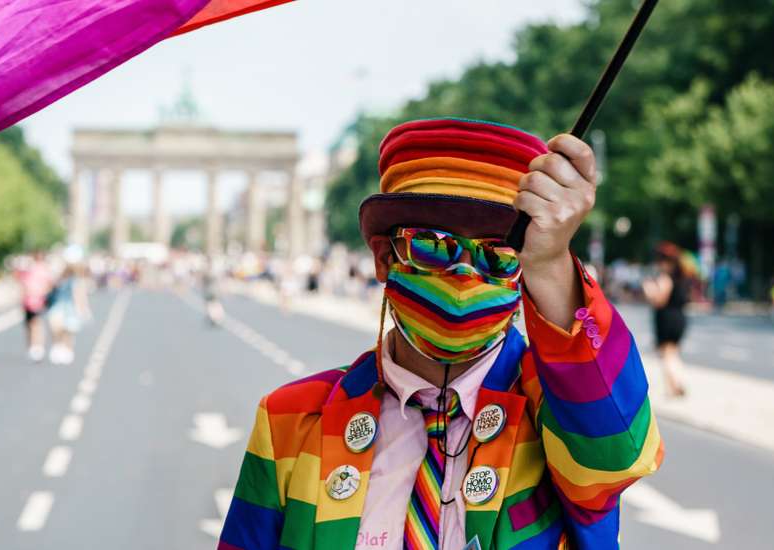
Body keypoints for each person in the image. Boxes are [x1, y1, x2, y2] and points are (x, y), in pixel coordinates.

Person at [217, 119, 662, 549]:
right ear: (384, 258)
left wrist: (551, 263)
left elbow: (619, 453)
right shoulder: (289, 421)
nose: (465, 275)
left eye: (497, 252)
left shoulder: (557, 411)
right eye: (432, 244)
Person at [642, 242, 689, 397]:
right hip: (679, 317)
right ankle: (676, 384)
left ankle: (675, 385)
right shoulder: (681, 277)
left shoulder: (665, 278)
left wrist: (648, 288)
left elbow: (660, 300)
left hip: (667, 319)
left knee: (666, 354)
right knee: (673, 352)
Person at [46, 262, 90, 365]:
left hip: (60, 308)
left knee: (59, 330)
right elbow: (79, 296)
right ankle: (65, 351)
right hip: (67, 308)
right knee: (68, 331)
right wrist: (83, 310)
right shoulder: (74, 281)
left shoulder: (61, 281)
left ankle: (59, 349)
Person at [16, 251, 54, 361]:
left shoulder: (44, 270)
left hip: (38, 301)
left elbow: (50, 284)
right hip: (27, 301)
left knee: (36, 323)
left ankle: (38, 346)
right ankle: (31, 346)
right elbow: (22, 284)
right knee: (28, 325)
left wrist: (44, 294)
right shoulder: (28, 269)